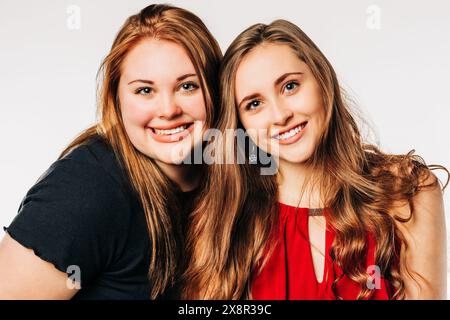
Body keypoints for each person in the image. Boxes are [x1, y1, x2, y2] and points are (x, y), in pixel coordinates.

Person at [183, 19, 448, 300]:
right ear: (241, 124)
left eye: (290, 86)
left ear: (322, 79)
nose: (280, 115)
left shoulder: (407, 191)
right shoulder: (224, 218)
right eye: (254, 104)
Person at [0, 4, 222, 299]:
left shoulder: (231, 178)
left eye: (188, 86)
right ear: (116, 99)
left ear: (217, 90)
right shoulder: (86, 188)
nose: (168, 110)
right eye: (145, 90)